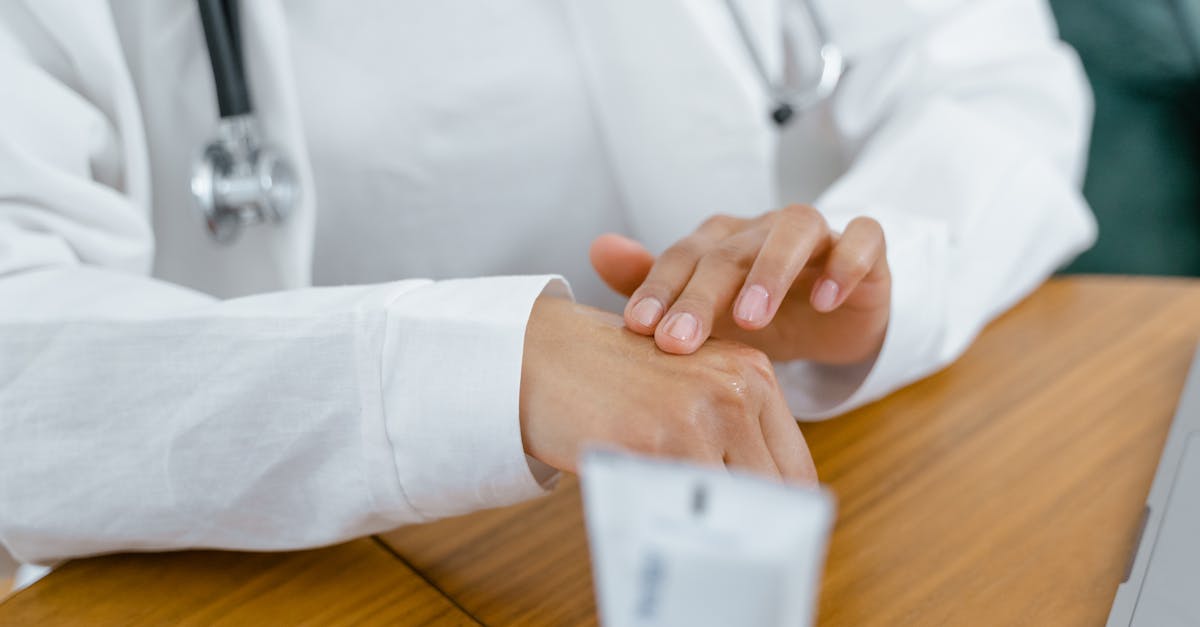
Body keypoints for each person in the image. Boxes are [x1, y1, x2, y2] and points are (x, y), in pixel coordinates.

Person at [0, 0, 1094, 577]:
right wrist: (497, 369)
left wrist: (877, 262)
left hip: (761, 516)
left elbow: (1001, 84)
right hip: (303, 574)